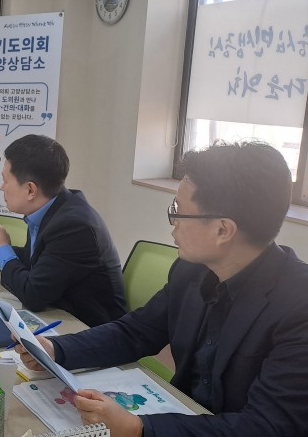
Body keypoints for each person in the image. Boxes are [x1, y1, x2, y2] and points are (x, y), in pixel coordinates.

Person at [16, 142, 308, 436]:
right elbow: (136, 331)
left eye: (179, 211)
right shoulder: (192, 271)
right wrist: (57, 350)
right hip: (186, 415)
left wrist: (139, 428)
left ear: (223, 230)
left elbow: (267, 426)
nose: (173, 223)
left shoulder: (298, 306)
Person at [0, 134, 126, 327]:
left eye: (5, 181)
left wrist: (2, 248)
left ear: (31, 190)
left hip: (89, 329)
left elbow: (33, 294)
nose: (1, 187)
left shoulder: (74, 227)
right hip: (59, 316)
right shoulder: (53, 208)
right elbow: (37, 262)